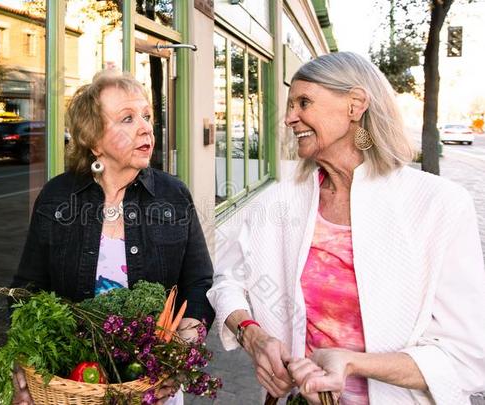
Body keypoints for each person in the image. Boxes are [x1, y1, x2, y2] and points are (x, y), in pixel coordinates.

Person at [207, 51, 485, 404]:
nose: (290, 118)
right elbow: (228, 280)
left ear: (355, 105)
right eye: (290, 105)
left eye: (303, 102)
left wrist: (352, 363)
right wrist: (253, 336)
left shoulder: (439, 205)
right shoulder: (277, 202)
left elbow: (467, 358)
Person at [10, 71, 215, 405]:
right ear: (94, 140)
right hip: (75, 383)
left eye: (147, 116)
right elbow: (27, 289)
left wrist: (182, 352)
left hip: (153, 388)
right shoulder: (57, 198)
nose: (146, 127)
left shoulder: (173, 195)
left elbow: (199, 283)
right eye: (127, 119)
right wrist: (24, 357)